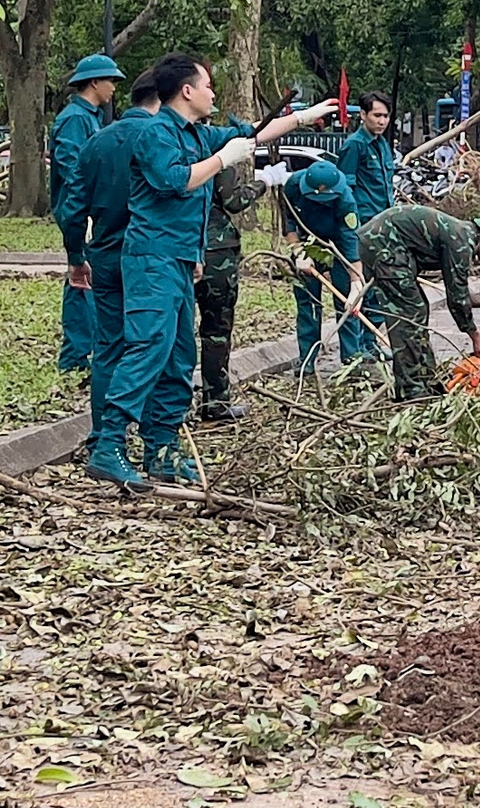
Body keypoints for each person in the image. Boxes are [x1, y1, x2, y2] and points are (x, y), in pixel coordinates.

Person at [106, 55, 333, 488]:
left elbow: (250, 135)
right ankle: (109, 443)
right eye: (208, 85)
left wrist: (303, 116)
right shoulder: (156, 133)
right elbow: (174, 181)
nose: (213, 93)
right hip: (151, 259)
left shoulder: (197, 134)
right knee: (149, 348)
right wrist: (223, 160)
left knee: (178, 358)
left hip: (178, 259)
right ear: (186, 91)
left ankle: (162, 449)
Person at [71, 70, 159, 474]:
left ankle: (101, 436)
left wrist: (76, 255)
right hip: (151, 259)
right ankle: (151, 441)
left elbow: (72, 207)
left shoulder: (97, 140)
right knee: (153, 347)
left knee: (108, 348)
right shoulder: (163, 139)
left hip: (104, 252)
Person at [359, 205, 480, 400]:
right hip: (382, 244)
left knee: (418, 309)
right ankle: (412, 389)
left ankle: (426, 380)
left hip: (391, 247)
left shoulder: (462, 234)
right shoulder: (461, 242)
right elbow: (457, 295)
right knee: (409, 314)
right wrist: (475, 334)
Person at [194, 117, 271, 423]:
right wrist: (265, 182)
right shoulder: (220, 155)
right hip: (217, 252)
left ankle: (165, 407)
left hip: (182, 245)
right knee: (216, 331)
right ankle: (215, 401)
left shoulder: (177, 147)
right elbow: (234, 200)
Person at [50, 53, 122, 375]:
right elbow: (69, 165)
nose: (114, 89)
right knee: (81, 278)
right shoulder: (74, 119)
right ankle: (75, 357)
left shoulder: (91, 117)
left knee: (87, 278)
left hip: (89, 207)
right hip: (81, 209)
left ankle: (83, 352)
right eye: (111, 82)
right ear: (94, 83)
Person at [277, 160, 366, 376]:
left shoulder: (345, 197)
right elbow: (288, 222)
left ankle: (351, 357)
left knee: (346, 301)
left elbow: (350, 238)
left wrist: (356, 282)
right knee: (308, 301)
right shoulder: (292, 186)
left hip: (336, 245)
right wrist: (299, 252)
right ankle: (307, 357)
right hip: (306, 244)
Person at [334, 95, 395, 360]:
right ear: (363, 115)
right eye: (376, 116)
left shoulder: (382, 145)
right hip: (362, 229)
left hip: (385, 227)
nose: (381, 121)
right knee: (357, 288)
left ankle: (369, 343)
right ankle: (353, 353)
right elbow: (346, 191)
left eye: (385, 116)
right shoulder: (354, 146)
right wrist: (352, 229)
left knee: (379, 289)